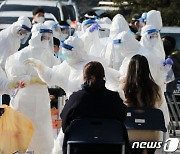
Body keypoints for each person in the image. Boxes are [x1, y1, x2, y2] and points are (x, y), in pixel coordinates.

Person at [5, 24, 58, 154]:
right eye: (43, 37)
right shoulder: (22, 55)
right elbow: (14, 76)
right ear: (36, 36)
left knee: (42, 132)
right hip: (25, 97)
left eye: (48, 37)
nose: (46, 40)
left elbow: (56, 71)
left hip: (41, 97)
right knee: (23, 130)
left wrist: (41, 79)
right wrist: (31, 79)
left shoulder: (48, 55)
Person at [60, 61, 129, 154]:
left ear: (84, 78)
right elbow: (123, 119)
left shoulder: (75, 99)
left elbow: (64, 124)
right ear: (103, 77)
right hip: (110, 149)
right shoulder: (114, 99)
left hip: (79, 150)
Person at [123, 55, 162, 154]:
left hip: (130, 134)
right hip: (151, 134)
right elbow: (159, 105)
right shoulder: (156, 89)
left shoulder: (123, 88)